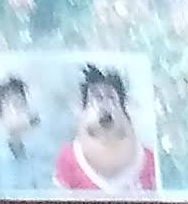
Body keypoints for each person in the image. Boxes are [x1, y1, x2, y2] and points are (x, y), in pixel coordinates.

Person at [54, 63, 155, 193]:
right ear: (84, 110)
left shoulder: (149, 160)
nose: (104, 105)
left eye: (111, 98)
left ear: (124, 110)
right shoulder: (68, 158)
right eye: (97, 98)